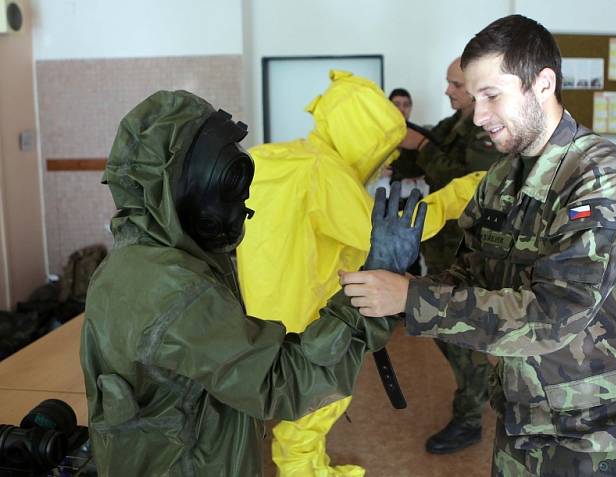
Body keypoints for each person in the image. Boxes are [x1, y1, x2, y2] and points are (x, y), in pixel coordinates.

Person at [341, 15, 616, 476]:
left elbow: (557, 317)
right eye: (474, 98)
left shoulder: (601, 180)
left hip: (599, 432)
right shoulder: (501, 178)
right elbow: (473, 274)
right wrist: (396, 283)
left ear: (543, 84)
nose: (478, 115)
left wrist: (412, 299)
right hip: (523, 412)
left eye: (492, 95)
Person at [79, 90, 419, 477]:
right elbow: (283, 383)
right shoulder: (175, 290)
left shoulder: (132, 262)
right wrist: (370, 292)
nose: (240, 201)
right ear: (184, 184)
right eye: (227, 181)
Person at [236, 70, 481, 476]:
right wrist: (461, 193)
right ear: (361, 134)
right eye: (381, 148)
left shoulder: (274, 156)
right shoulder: (324, 173)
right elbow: (387, 233)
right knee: (314, 409)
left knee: (299, 404)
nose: (385, 160)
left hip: (262, 312)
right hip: (310, 316)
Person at [389, 57, 506, 455]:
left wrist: (419, 147)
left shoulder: (489, 132)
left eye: (455, 85)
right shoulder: (453, 124)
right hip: (442, 248)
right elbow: (416, 154)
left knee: (461, 335)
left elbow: (463, 182)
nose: (447, 91)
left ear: (476, 87)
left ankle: (470, 417)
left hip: (469, 253)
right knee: (444, 330)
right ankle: (479, 398)